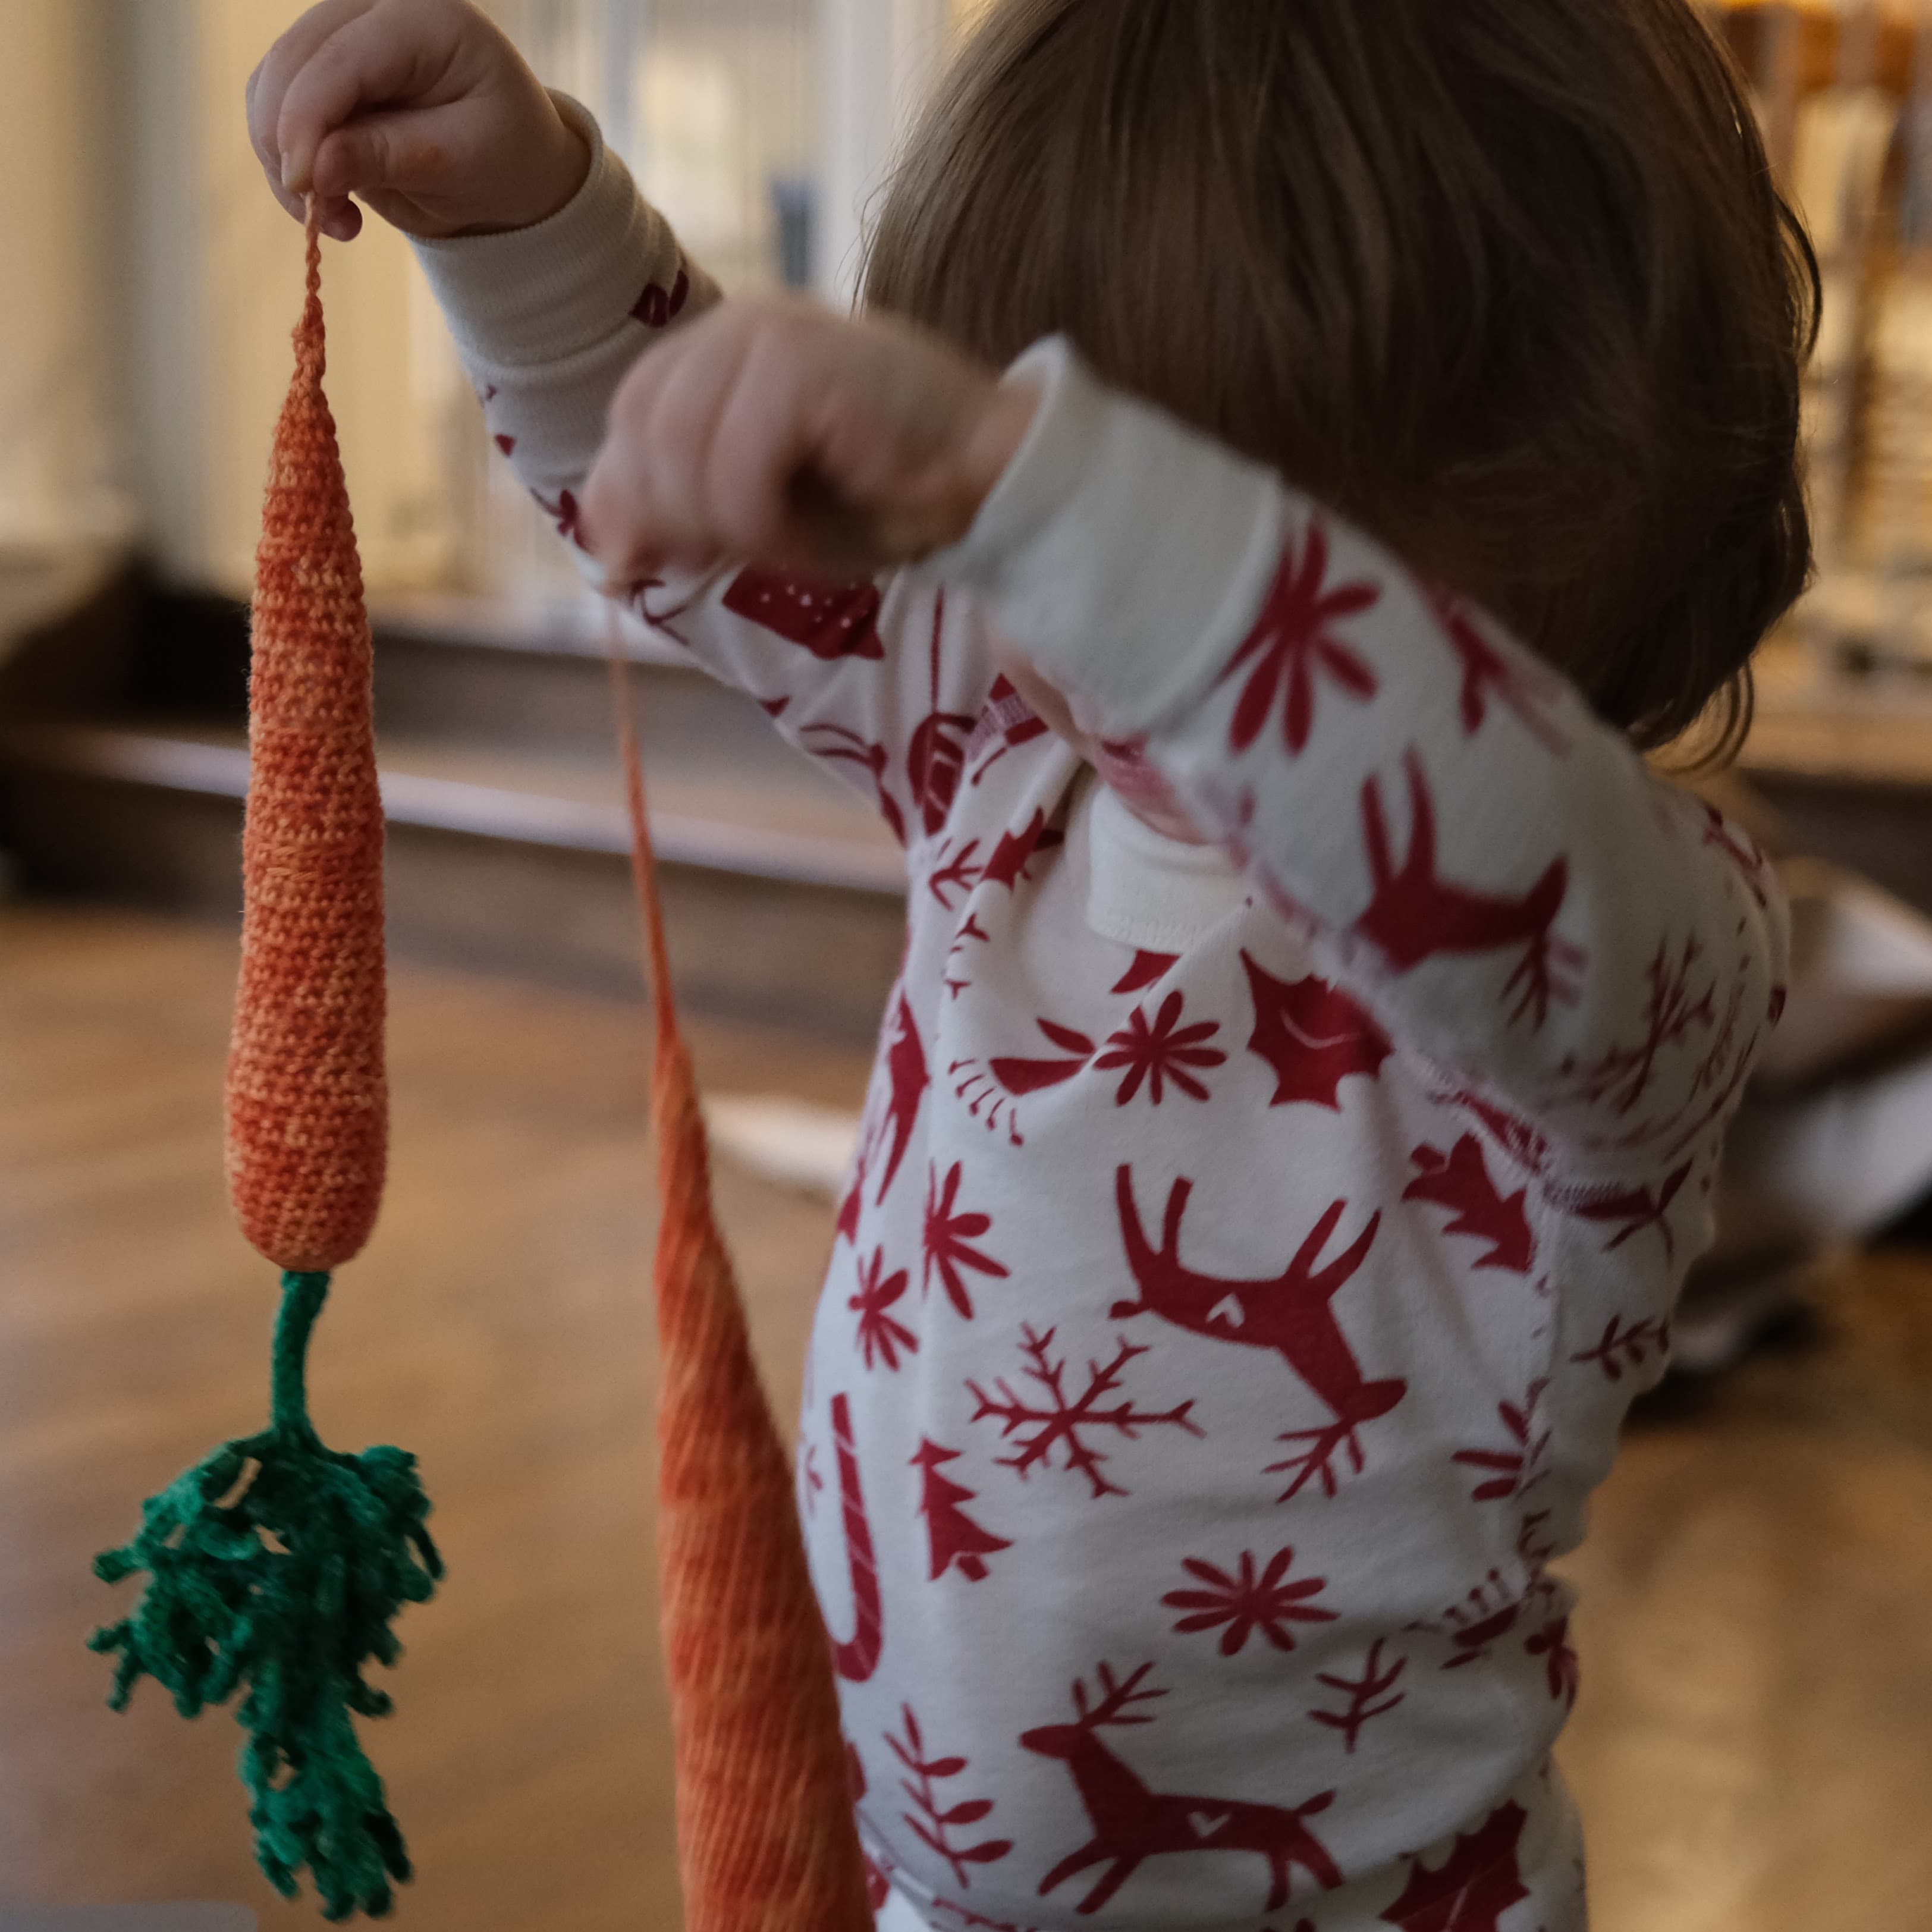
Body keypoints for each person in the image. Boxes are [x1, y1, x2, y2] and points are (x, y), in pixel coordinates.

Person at [247, 3, 1813, 1925]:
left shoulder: (1630, 962)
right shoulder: (1000, 742)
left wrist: (1064, 512)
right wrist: (519, 218)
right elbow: (713, 527)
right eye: (1010, 433)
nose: (1040, 567)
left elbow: (1471, 818)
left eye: (1136, 491)